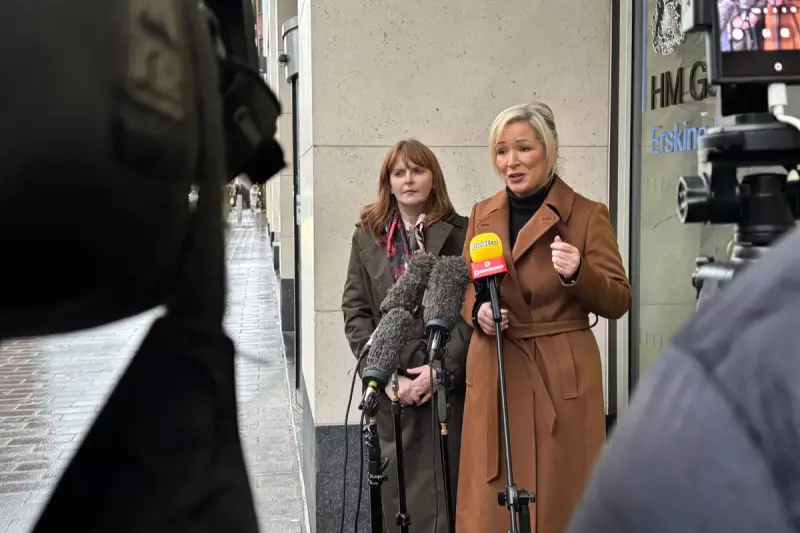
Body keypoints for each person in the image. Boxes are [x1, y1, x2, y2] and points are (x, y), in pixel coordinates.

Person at [456, 102, 631, 533]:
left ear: (548, 150)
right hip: (496, 366)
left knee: (558, 498)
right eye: (501, 151)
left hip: (558, 374)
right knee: (491, 506)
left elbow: (618, 299)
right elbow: (465, 286)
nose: (510, 162)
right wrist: (478, 311)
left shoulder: (587, 214)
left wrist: (578, 273)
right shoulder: (481, 213)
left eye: (523, 149)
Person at [342, 139, 472, 532]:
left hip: (444, 388)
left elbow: (471, 313)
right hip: (392, 391)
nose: (408, 180)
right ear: (388, 182)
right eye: (399, 173)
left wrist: (441, 370)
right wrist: (386, 377)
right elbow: (356, 312)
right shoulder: (367, 236)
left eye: (417, 170)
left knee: (447, 499)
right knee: (399, 504)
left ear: (434, 177)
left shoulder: (463, 232)